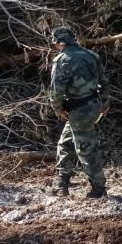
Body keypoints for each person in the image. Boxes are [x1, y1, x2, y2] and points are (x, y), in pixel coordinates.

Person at [48, 26, 109, 198]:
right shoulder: (91, 55)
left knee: (85, 147)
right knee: (66, 142)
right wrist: (104, 103)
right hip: (93, 104)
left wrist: (58, 109)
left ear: (60, 42)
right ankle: (62, 182)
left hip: (78, 109)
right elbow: (104, 81)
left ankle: (99, 188)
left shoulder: (62, 60)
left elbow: (56, 92)